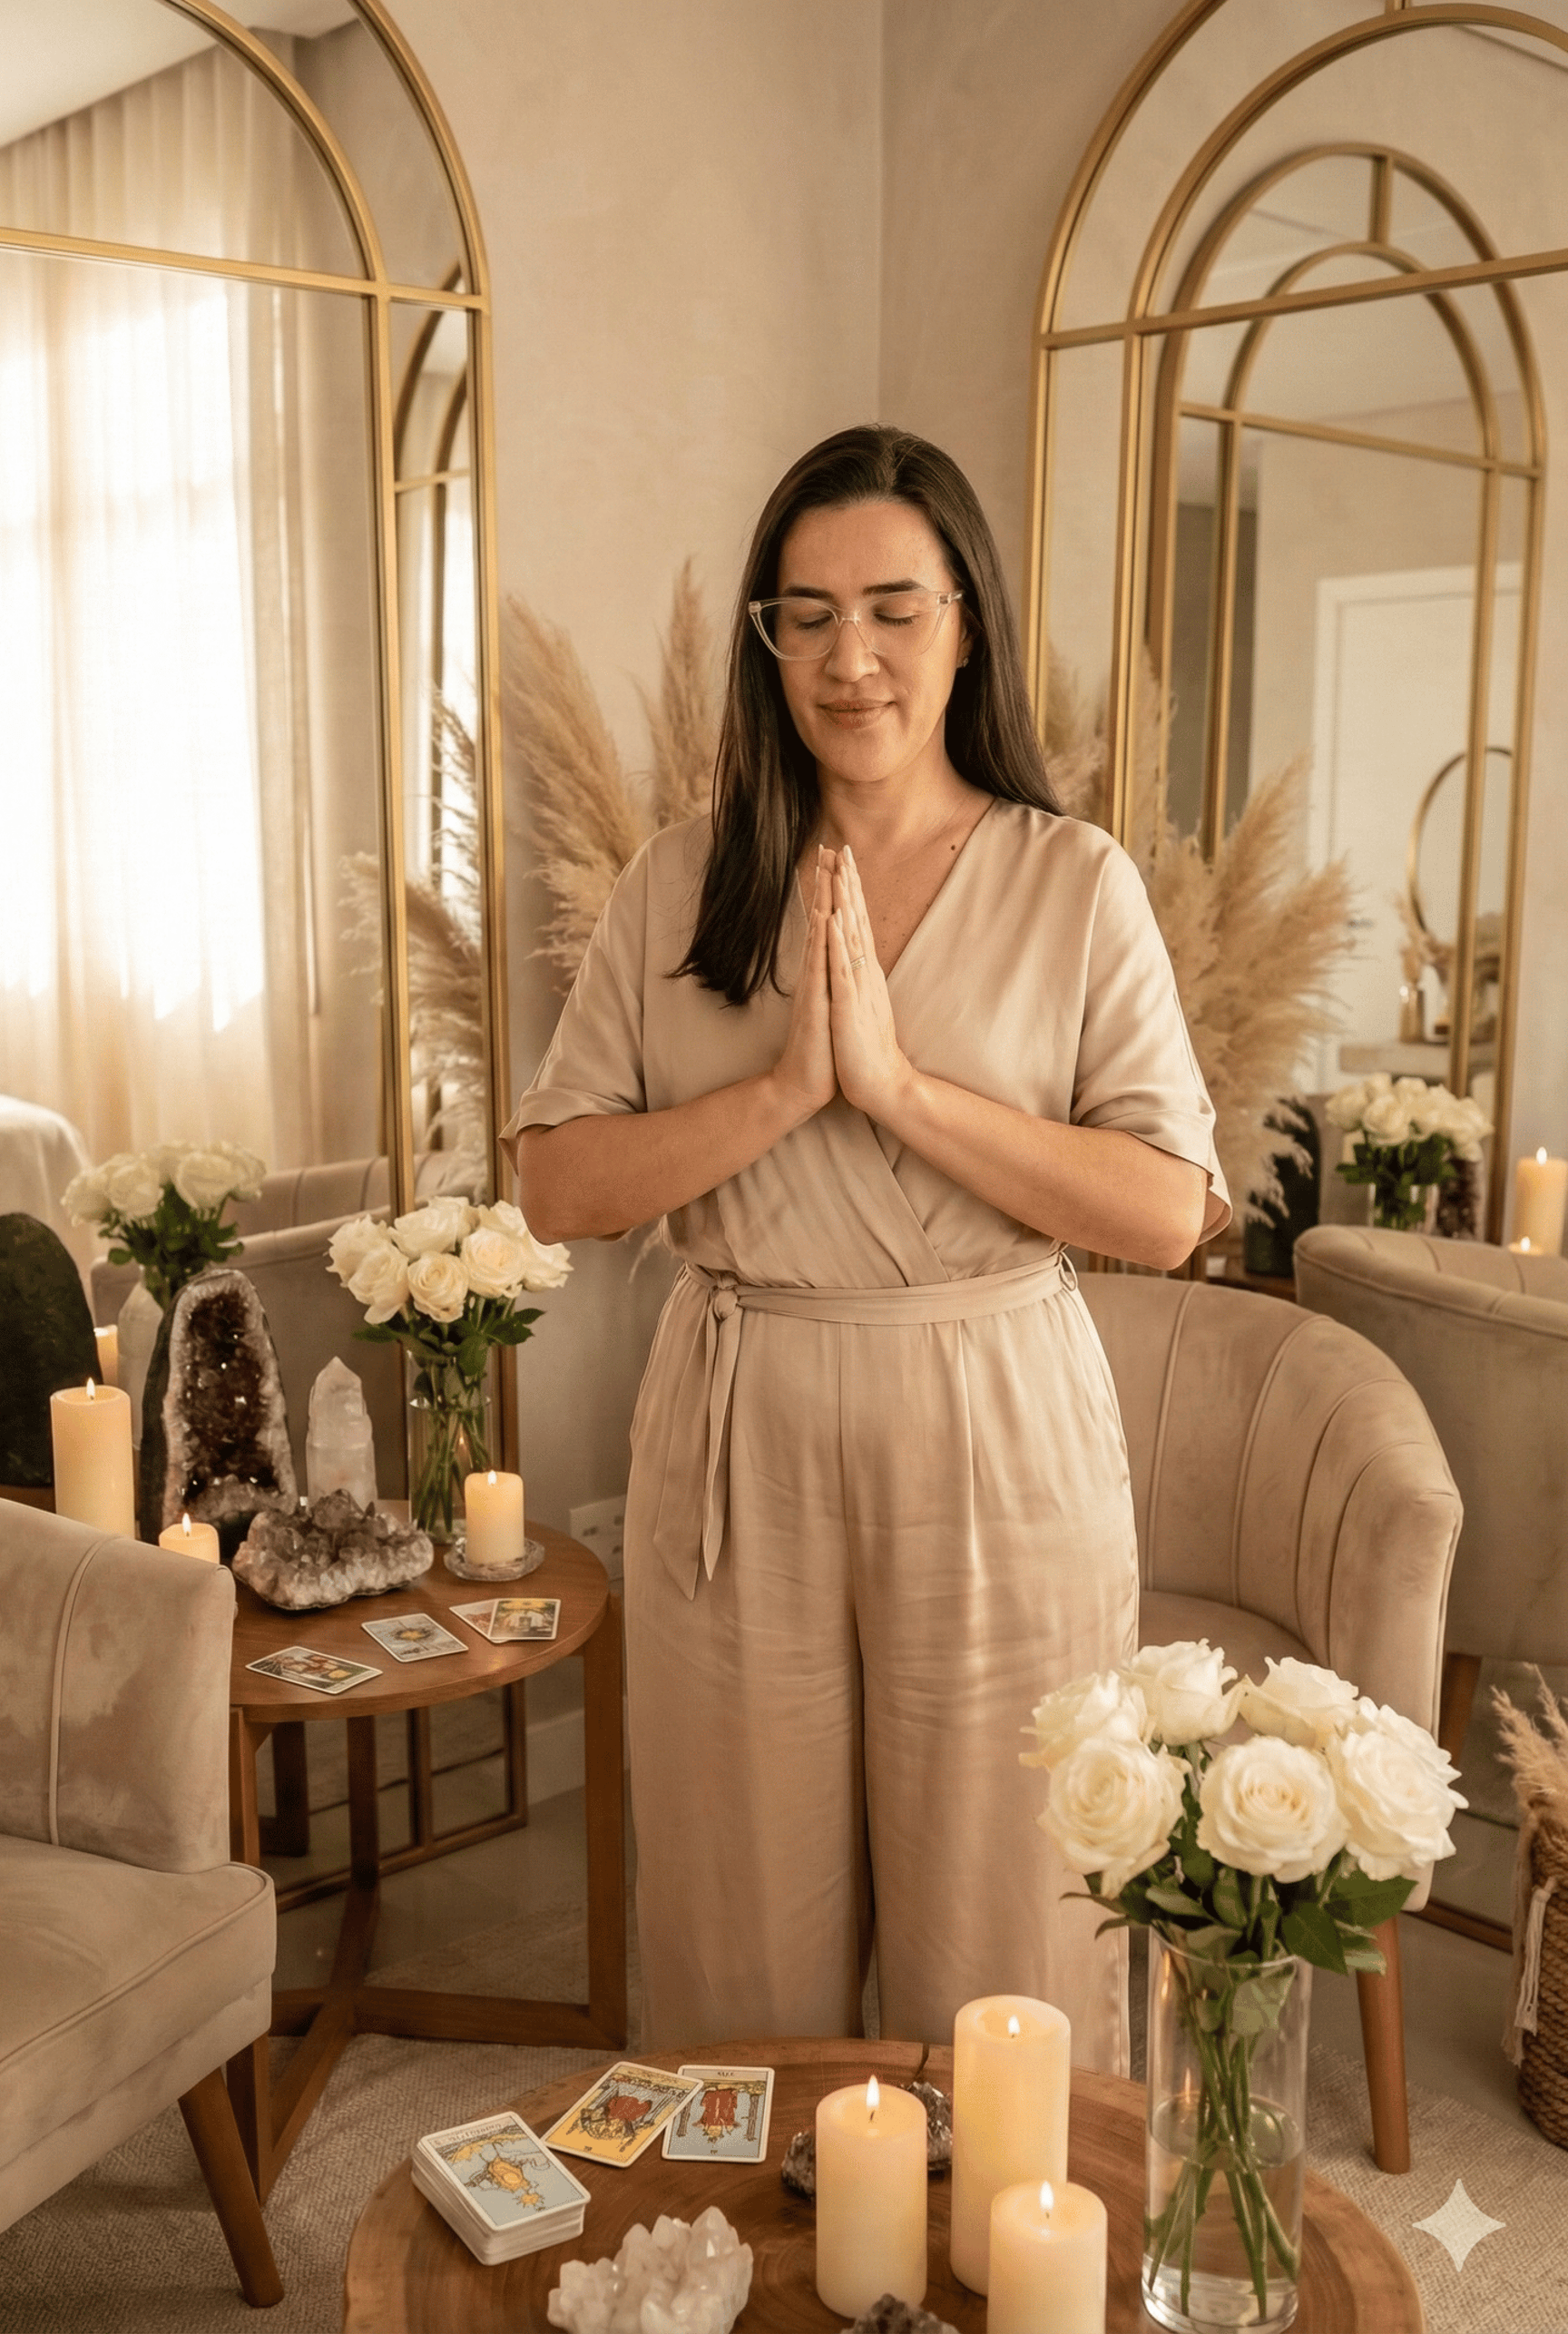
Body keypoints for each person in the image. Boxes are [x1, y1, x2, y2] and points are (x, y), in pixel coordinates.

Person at [507, 427, 1229, 2070]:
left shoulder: (1073, 882)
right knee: (734, 1923)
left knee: (1005, 1921)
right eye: (808, 614)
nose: (853, 658)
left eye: (894, 608)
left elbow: (1166, 1209)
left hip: (993, 1413)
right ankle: (754, 2280)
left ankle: (1000, 2280)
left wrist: (898, 1091)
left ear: (964, 622)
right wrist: (783, 1092)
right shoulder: (679, 883)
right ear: (767, 640)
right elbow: (556, 1186)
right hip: (739, 1414)